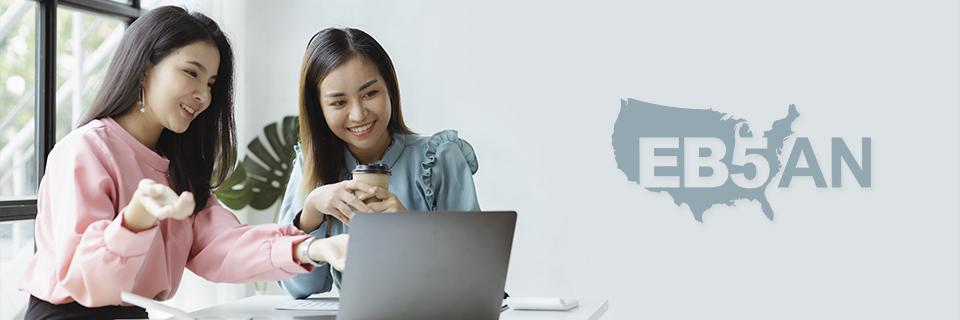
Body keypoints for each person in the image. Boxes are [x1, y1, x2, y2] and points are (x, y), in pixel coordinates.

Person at [19, 7, 344, 319]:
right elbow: (91, 282)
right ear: (145, 67)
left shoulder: (176, 170)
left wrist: (314, 250)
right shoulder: (84, 151)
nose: (203, 95)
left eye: (211, 84)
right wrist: (135, 220)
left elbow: (226, 245)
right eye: (191, 73)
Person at [278, 27, 481, 298]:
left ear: (389, 89)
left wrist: (409, 230)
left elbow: (476, 276)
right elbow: (300, 289)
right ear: (320, 110)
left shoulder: (440, 158)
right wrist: (311, 211)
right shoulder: (310, 166)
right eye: (338, 103)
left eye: (369, 94)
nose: (358, 114)